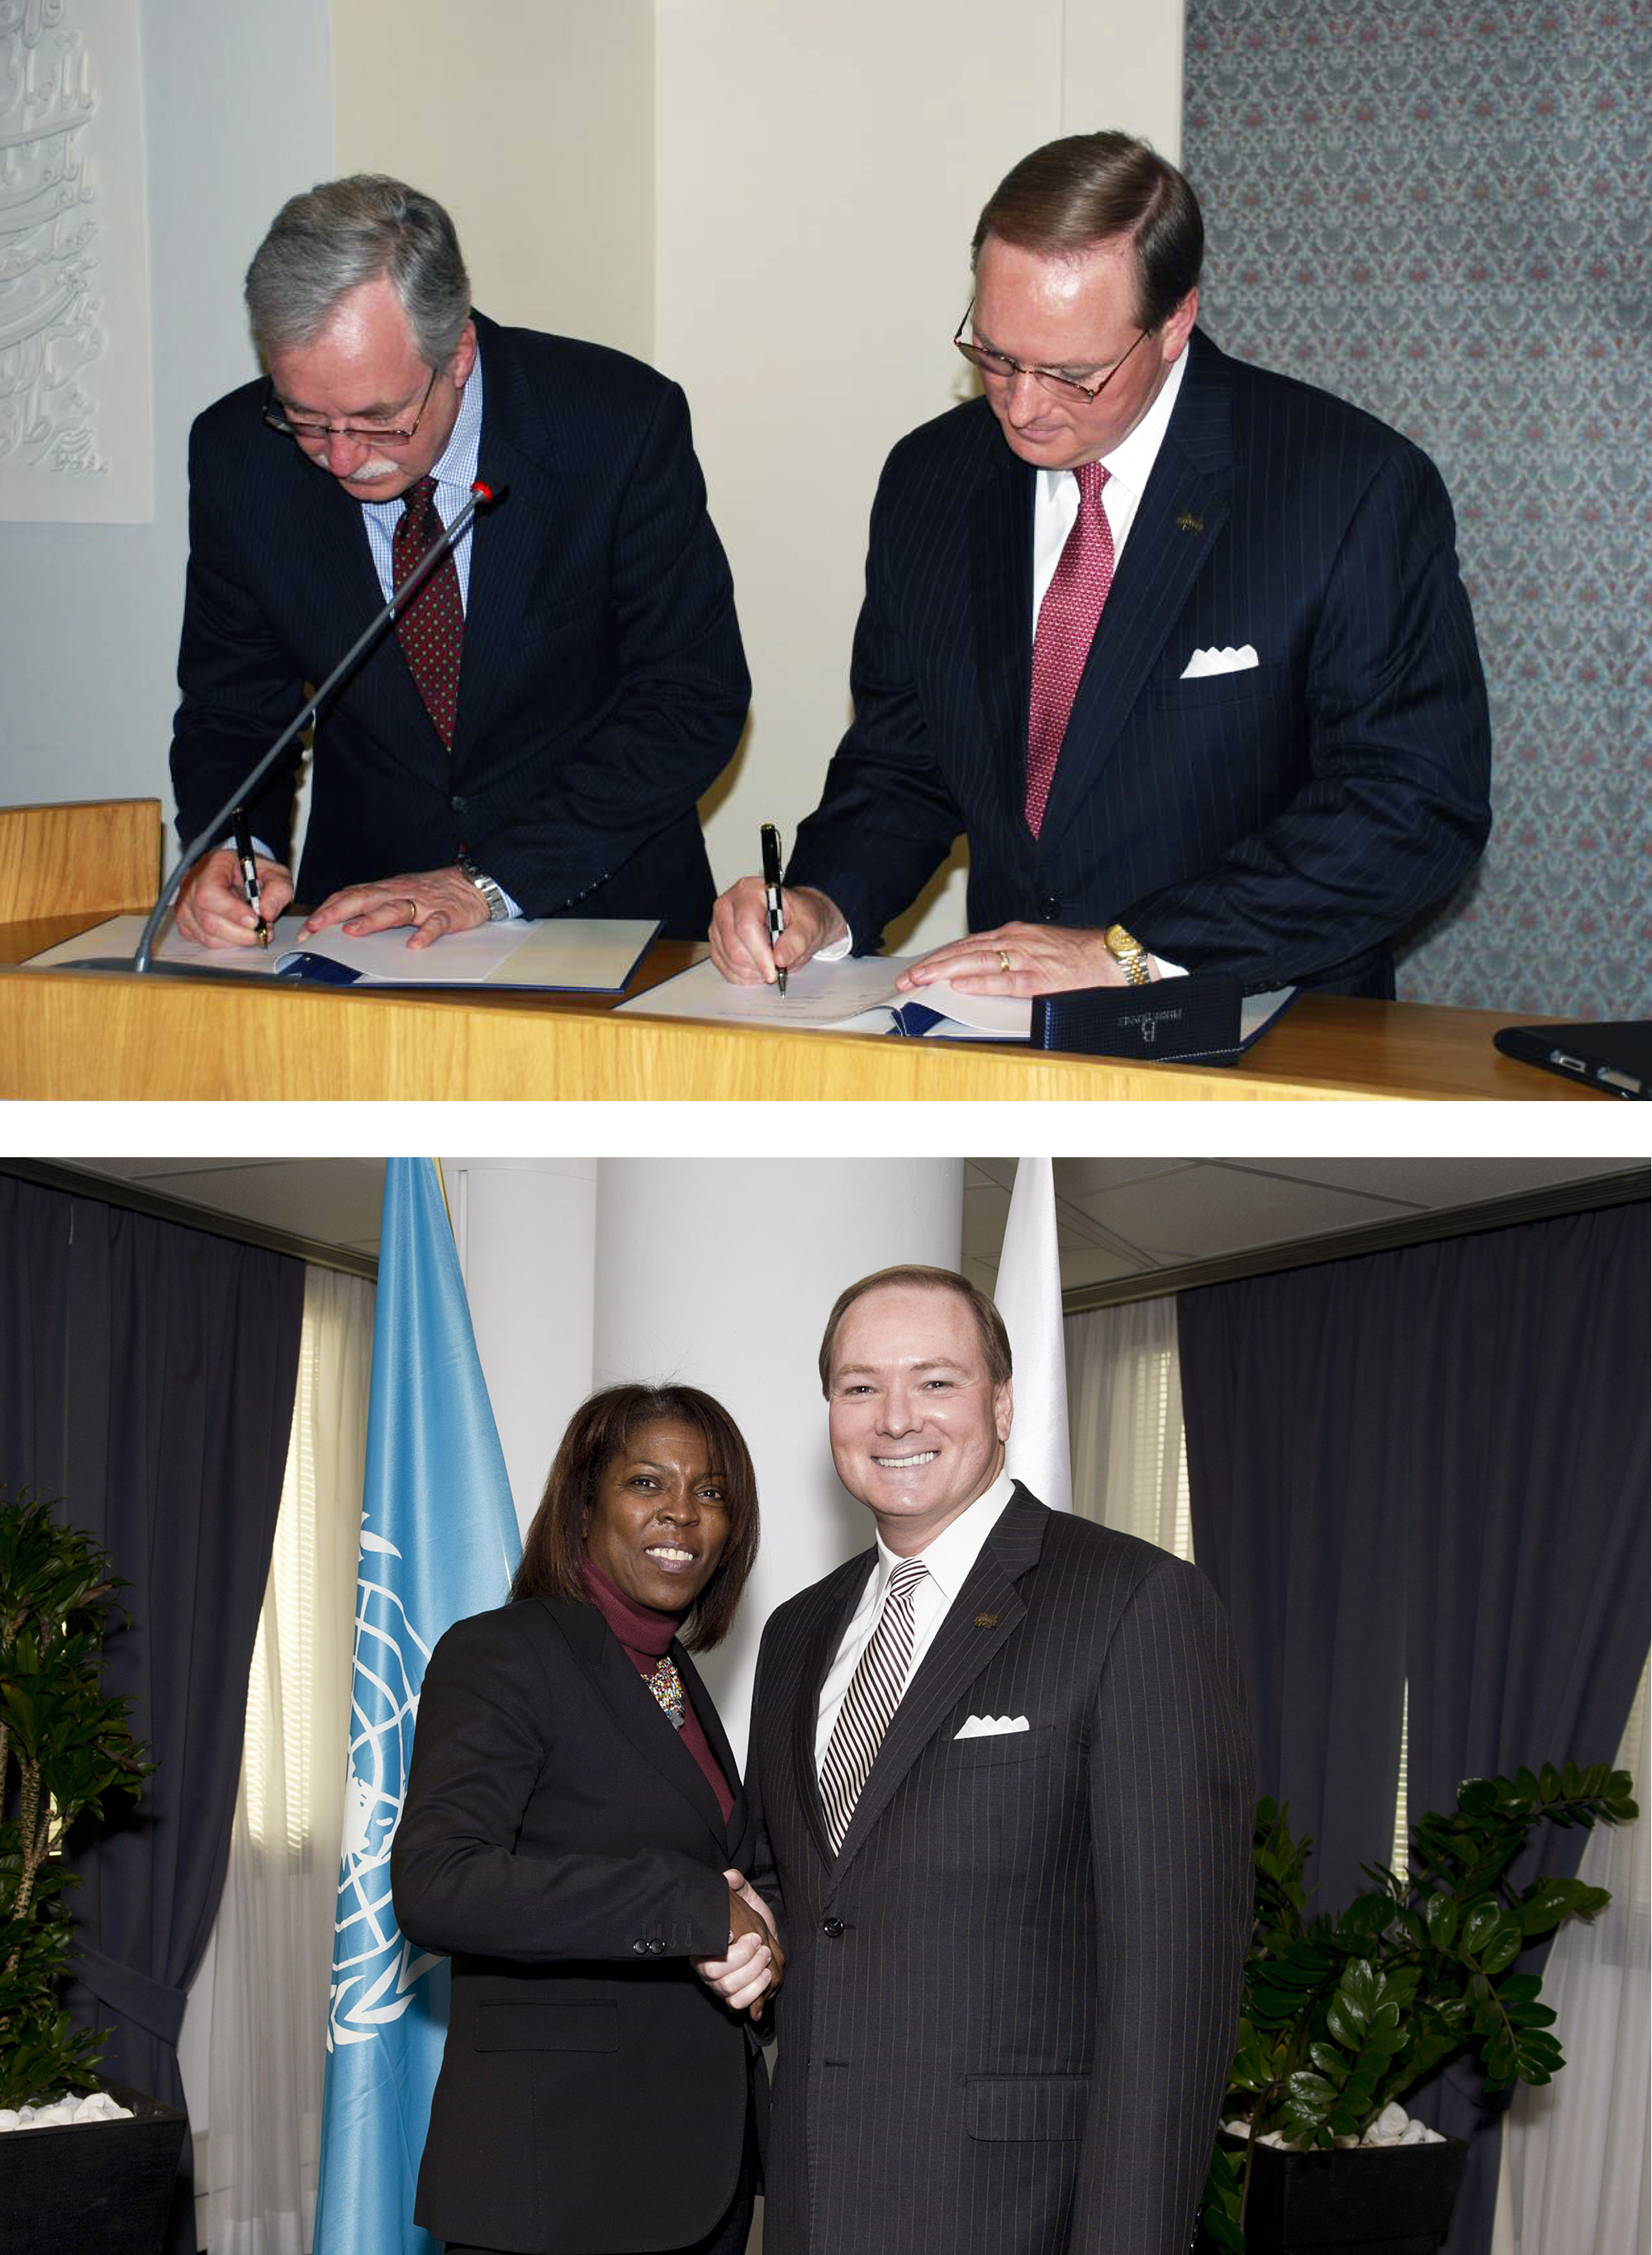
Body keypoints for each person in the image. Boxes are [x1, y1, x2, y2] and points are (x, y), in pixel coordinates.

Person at [710, 130, 1490, 1002]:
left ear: (1173, 324)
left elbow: (1408, 808)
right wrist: (824, 901)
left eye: (1072, 373)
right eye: (995, 356)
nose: (1022, 404)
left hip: (1264, 1029)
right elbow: (907, 760)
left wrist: (1127, 951)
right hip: (1011, 1042)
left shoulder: (1344, 488)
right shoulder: (931, 479)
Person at [710, 1266, 1254, 2255]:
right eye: (859, 1386)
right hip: (810, 2201)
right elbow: (810, 1891)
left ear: (1001, 1402)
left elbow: (1171, 1986)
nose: (895, 1418)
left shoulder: (1133, 1604)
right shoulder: (795, 1632)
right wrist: (747, 1923)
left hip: (1014, 2213)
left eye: (935, 1381)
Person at [172, 175, 748, 952]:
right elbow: (233, 709)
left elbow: (690, 697)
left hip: (603, 909)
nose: (343, 458)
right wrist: (236, 851)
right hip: (364, 926)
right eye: (306, 418)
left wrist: (490, 880)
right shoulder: (238, 458)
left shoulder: (614, 424)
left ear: (459, 355)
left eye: (380, 419)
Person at [392, 1384, 780, 2255]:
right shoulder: (504, 1653)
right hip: (558, 2186)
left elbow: (722, 1877)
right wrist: (686, 1908)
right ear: (582, 1507)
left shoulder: (670, 1675)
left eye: (710, 1492)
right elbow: (437, 1884)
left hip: (694, 2176)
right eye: (648, 1483)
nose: (681, 1514)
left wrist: (759, 1937)